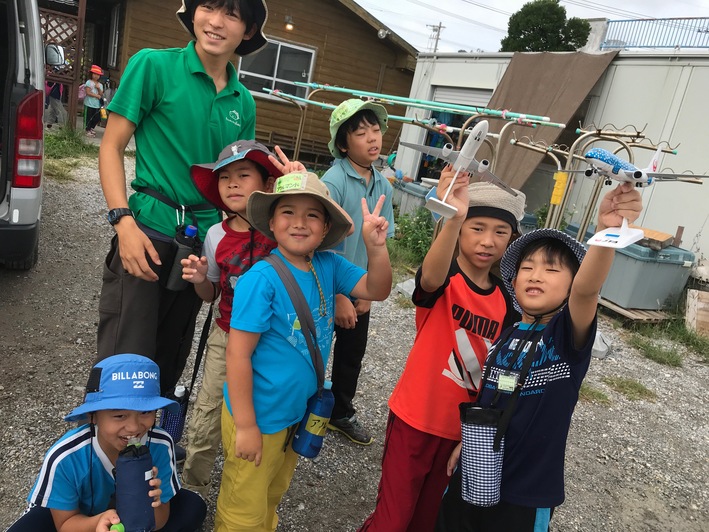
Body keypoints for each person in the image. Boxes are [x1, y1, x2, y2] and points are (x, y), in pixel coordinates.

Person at [435, 183, 643, 532]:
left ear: (570, 285)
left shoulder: (566, 337)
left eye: (551, 270)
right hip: (475, 473)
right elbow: (492, 399)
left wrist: (606, 232)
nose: (535, 275)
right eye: (527, 268)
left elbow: (587, 290)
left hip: (525, 493)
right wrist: (465, 443)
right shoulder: (508, 333)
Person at [96, 0, 268, 403]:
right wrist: (123, 223)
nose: (216, 21)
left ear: (247, 31)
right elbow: (111, 146)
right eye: (209, 6)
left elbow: (239, 181)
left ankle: (151, 449)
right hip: (148, 228)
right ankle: (109, 454)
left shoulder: (243, 101)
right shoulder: (153, 66)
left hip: (202, 244)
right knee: (125, 356)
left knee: (171, 356)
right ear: (192, 14)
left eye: (232, 14)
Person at [214, 171, 392, 531]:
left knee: (272, 492)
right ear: (272, 223)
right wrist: (246, 425)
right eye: (288, 212)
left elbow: (378, 288)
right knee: (241, 508)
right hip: (258, 416)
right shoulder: (259, 280)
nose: (299, 222)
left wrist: (377, 247)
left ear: (326, 228)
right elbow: (237, 355)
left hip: (294, 412)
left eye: (312, 214)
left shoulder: (329, 264)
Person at [360, 171, 526, 531]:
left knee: (426, 522)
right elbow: (429, 279)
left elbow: (504, 372)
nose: (488, 241)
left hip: (461, 432)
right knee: (392, 520)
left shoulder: (508, 302)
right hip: (414, 419)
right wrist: (453, 217)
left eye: (501, 232)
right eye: (477, 227)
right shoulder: (445, 277)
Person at [180, 140, 305, 498]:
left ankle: (254, 487)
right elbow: (212, 294)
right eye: (225, 177)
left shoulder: (283, 226)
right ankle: (193, 490)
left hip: (278, 340)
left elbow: (321, 243)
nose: (232, 183)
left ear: (267, 183)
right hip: (227, 335)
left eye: (244, 174)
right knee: (207, 415)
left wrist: (297, 183)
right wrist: (201, 279)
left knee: (268, 414)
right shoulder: (216, 235)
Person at [7, 354, 207, 532]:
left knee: (192, 507)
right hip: (76, 518)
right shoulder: (65, 456)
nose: (133, 427)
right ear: (93, 416)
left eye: (146, 412)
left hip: (130, 517)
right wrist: (98, 523)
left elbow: (159, 520)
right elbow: (65, 524)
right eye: (119, 415)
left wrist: (152, 503)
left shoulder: (161, 444)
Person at [321, 98, 396, 445]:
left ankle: (339, 411)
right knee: (312, 349)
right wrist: (337, 295)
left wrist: (365, 294)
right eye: (361, 132)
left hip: (361, 286)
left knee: (352, 354)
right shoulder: (333, 181)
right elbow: (319, 242)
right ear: (342, 144)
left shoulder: (383, 185)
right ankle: (301, 409)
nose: (372, 138)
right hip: (324, 286)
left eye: (376, 130)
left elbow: (379, 244)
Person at [83, 64, 104, 137]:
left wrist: (98, 88)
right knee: (88, 117)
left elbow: (101, 93)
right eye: (94, 74)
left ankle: (91, 128)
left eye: (98, 75)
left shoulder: (100, 85)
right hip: (89, 103)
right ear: (91, 74)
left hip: (96, 104)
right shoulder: (89, 82)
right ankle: (87, 130)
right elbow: (88, 92)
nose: (96, 76)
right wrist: (96, 96)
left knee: (97, 117)